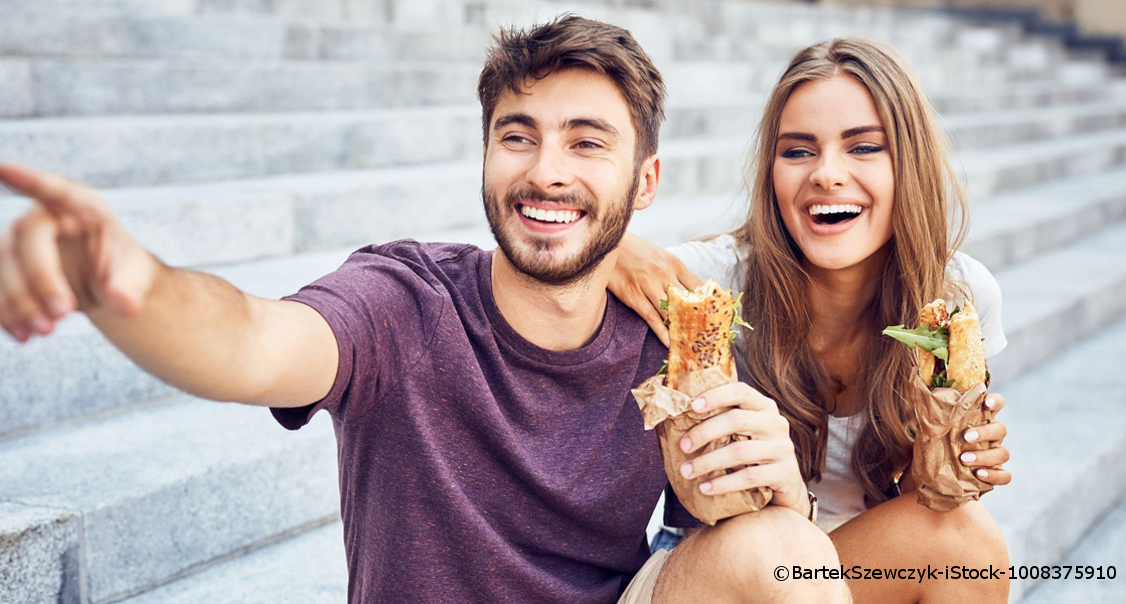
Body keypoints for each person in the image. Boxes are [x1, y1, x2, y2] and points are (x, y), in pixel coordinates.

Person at [0, 16, 852, 604]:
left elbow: (716, 541)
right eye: (518, 135)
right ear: (485, 154)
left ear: (645, 182)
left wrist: (778, 499)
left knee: (791, 552)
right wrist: (125, 280)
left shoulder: (675, 337)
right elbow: (250, 340)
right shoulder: (401, 303)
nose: (546, 171)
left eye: (587, 142)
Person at [610, 38, 1012, 603]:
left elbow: (916, 504)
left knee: (965, 538)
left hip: (834, 572)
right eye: (797, 151)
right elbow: (550, 257)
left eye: (864, 147)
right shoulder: (713, 284)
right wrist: (619, 249)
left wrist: (952, 461)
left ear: (911, 162)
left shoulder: (956, 300)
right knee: (781, 552)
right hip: (715, 570)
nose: (826, 174)